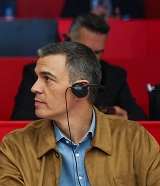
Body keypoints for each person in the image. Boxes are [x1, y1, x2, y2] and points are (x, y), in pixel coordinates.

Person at [0, 41, 160, 186]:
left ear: (80, 89)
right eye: (37, 78)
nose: (34, 87)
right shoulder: (17, 144)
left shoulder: (132, 138)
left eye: (47, 79)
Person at [10, 13, 146, 121]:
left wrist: (124, 117)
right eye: (86, 50)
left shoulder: (114, 76)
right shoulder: (38, 72)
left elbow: (141, 117)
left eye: (98, 52)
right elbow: (20, 118)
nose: (92, 59)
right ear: (68, 41)